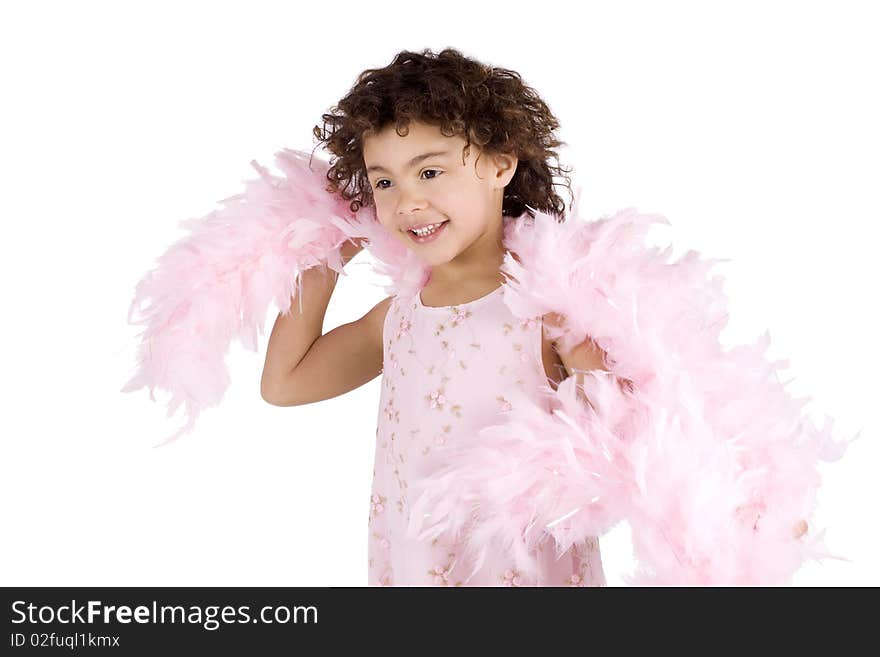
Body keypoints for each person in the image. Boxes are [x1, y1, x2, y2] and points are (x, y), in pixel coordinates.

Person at [260, 49, 610, 585]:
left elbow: (639, 436)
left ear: (500, 163)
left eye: (429, 171)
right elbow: (284, 384)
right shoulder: (397, 319)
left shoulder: (551, 313)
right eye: (383, 182)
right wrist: (324, 249)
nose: (407, 202)